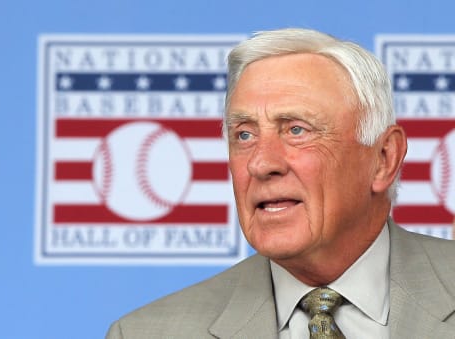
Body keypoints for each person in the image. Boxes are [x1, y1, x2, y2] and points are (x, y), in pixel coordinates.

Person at [106, 28, 455, 338]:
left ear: (383, 158)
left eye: (296, 130)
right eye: (244, 135)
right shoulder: (145, 333)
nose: (260, 163)